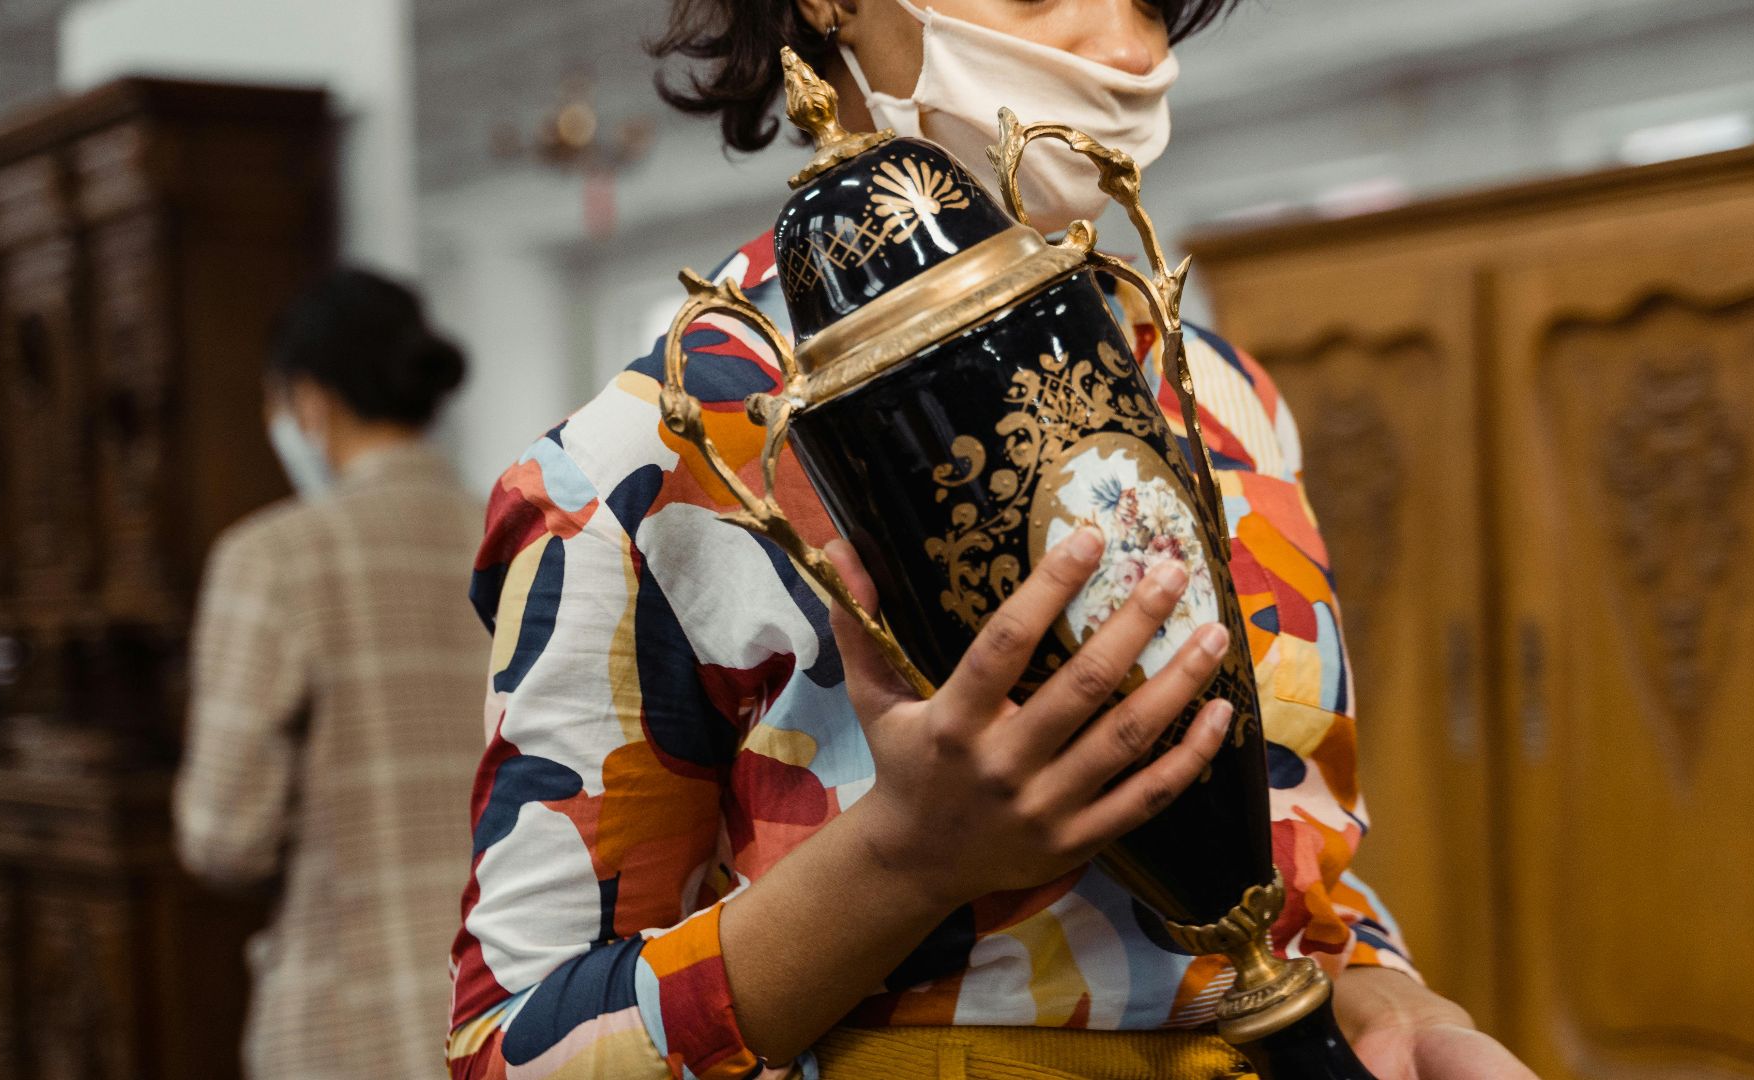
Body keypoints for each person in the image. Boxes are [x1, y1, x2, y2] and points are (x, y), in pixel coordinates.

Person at [447, 2, 1538, 1078]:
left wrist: (1391, 996)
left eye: (1154, 2)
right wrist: (902, 858)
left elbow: (1301, 868)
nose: (1127, 47)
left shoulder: (1218, 393)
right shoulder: (652, 456)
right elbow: (511, 1051)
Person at [176, 268, 487, 1080]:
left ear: (308, 400)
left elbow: (222, 834)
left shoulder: (269, 559)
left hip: (348, 1016)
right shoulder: (518, 534)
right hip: (514, 1001)